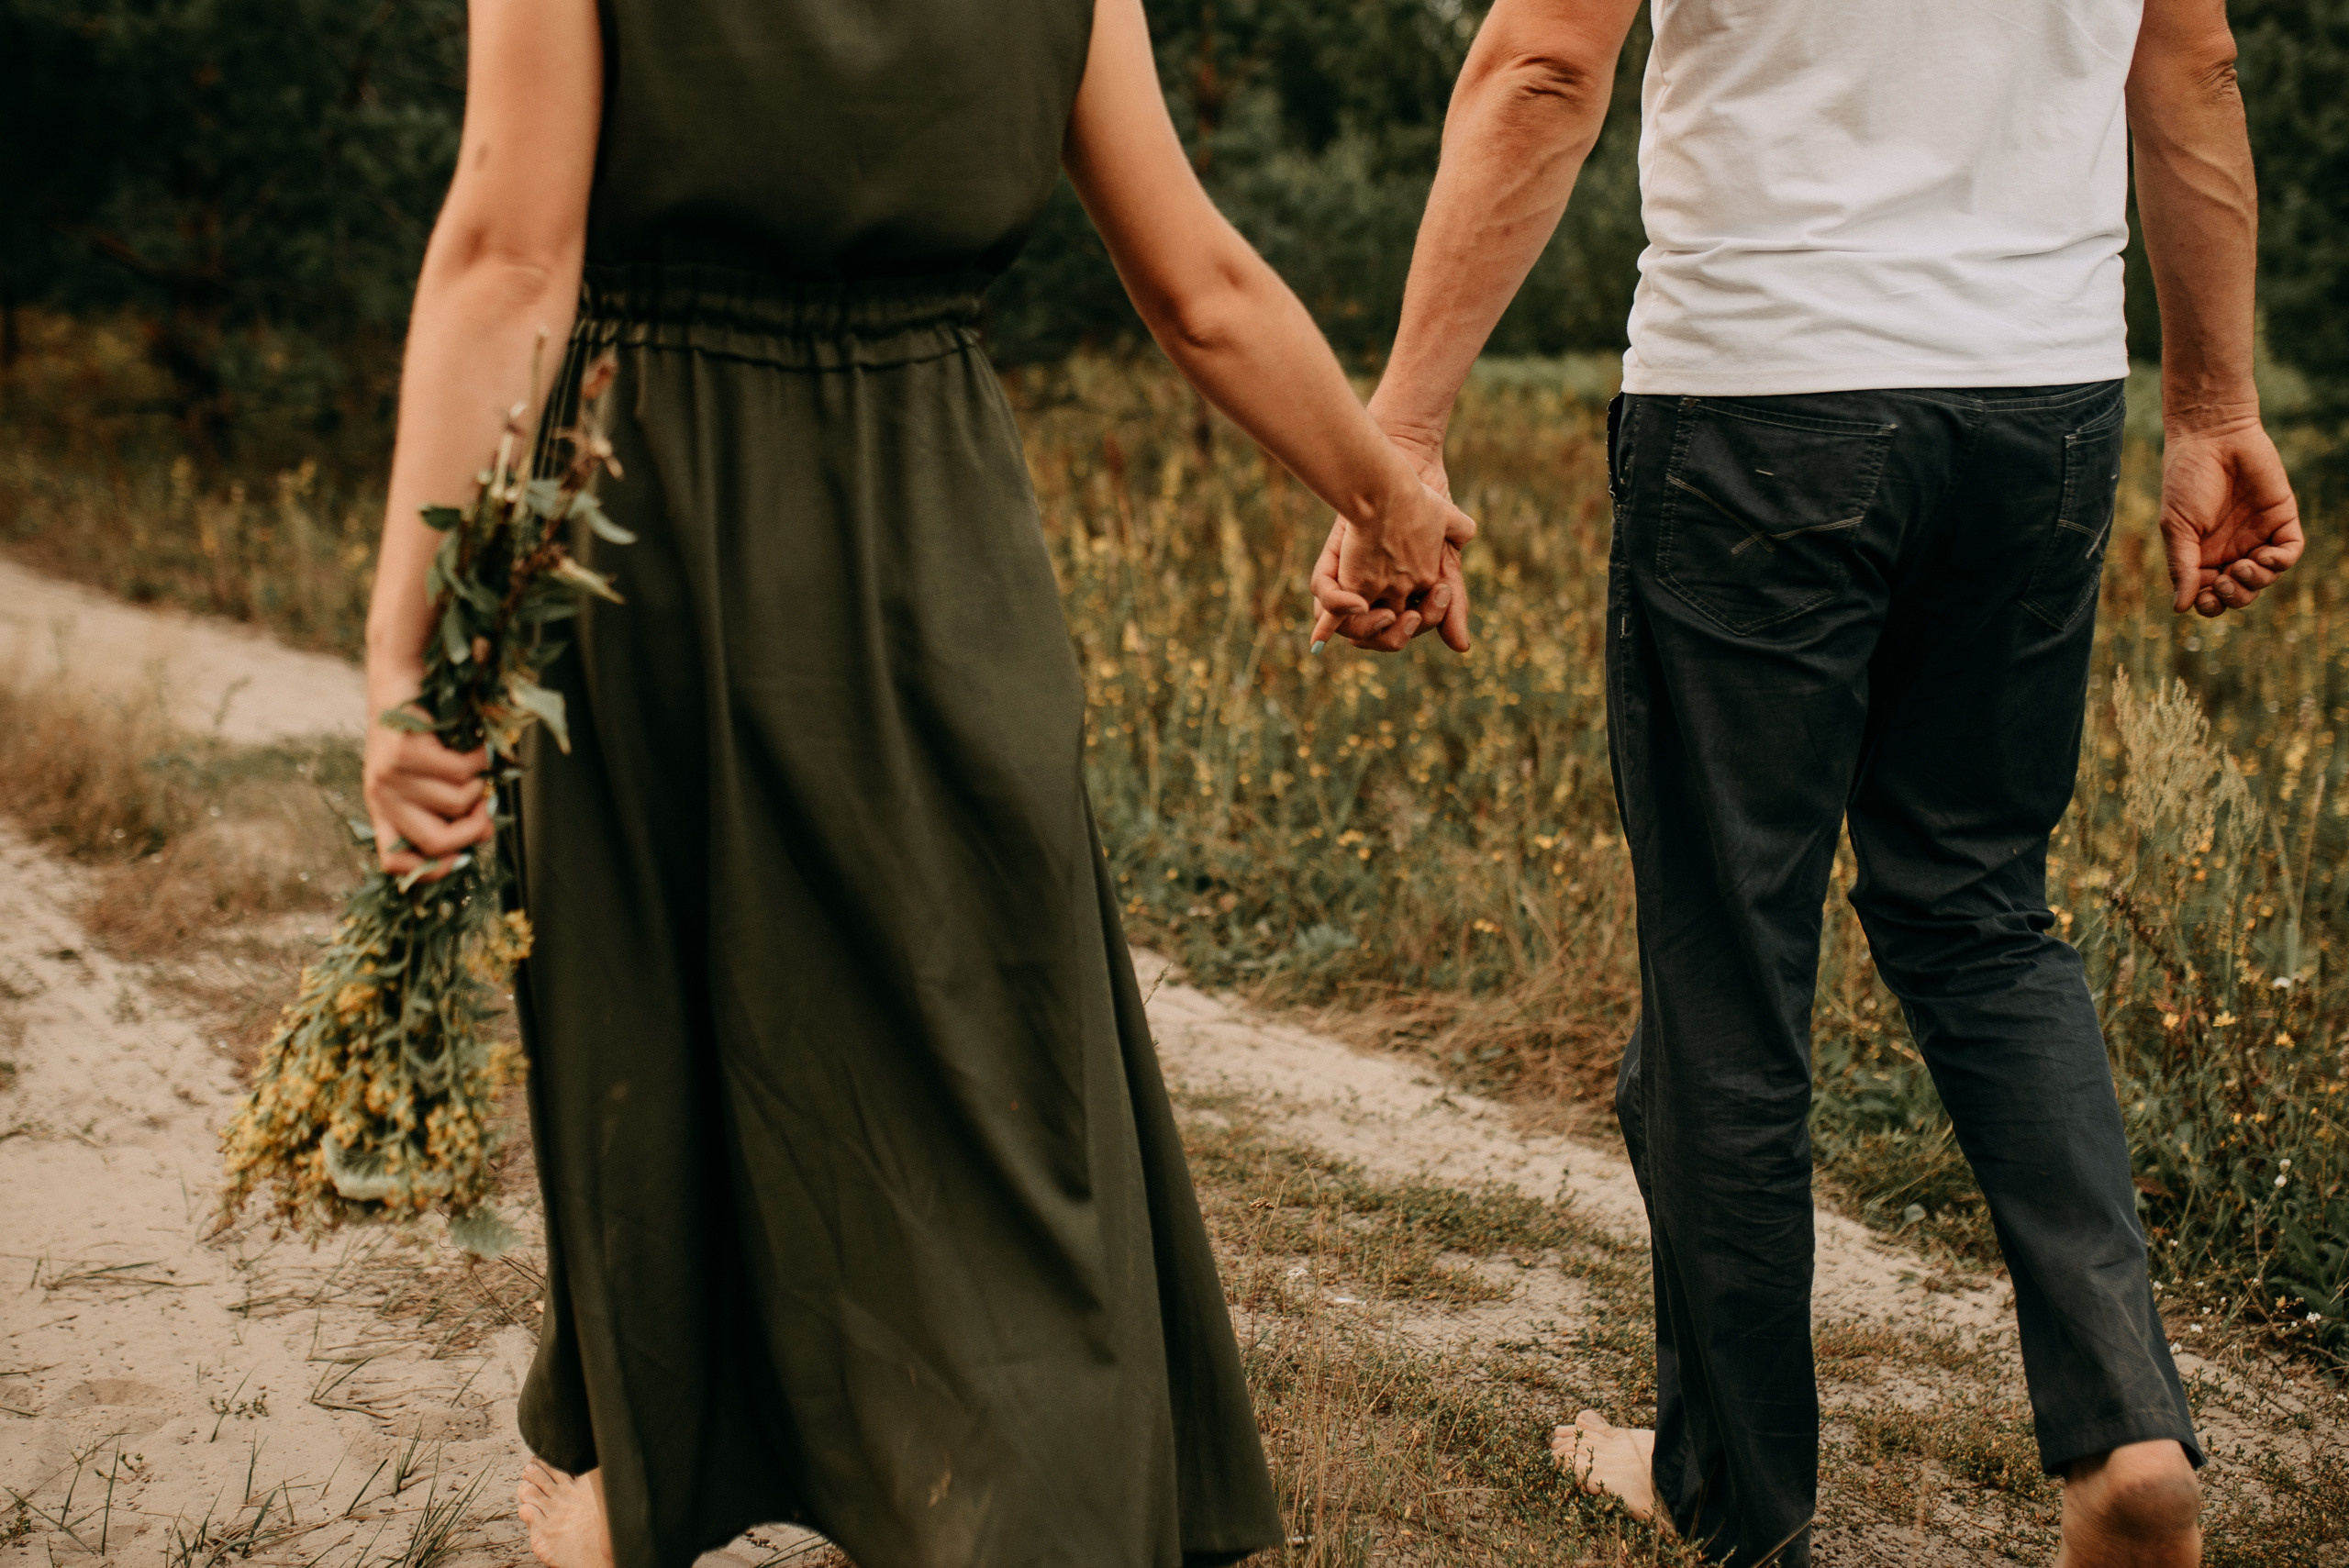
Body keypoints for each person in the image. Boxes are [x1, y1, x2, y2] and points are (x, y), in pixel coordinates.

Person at [359, 0, 1473, 1563]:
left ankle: (667, 1484)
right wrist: (1386, 500)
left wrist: (408, 651)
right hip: (939, 532)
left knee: (676, 1036)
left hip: (654, 521)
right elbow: (1201, 287)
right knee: (987, 1057)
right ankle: (875, 1486)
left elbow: (508, 262)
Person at [1310, 0, 2303, 1562]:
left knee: (1729, 956)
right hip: (2038, 402)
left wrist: (1402, 437)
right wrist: (2217, 408)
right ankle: (2124, 1423)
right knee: (1982, 910)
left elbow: (1546, 63)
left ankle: (1736, 1497)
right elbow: (2192, 67)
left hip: (1762, 398)